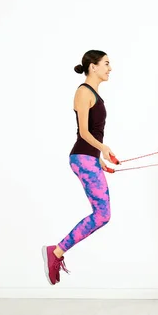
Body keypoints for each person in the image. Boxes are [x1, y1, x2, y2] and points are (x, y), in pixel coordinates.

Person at [41, 50, 118, 285]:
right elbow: (84, 132)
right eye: (106, 63)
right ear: (92, 67)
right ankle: (56, 251)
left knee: (102, 214)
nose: (110, 68)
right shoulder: (83, 92)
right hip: (82, 157)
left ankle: (57, 251)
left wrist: (100, 160)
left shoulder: (93, 93)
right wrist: (102, 148)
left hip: (88, 158)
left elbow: (91, 134)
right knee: (103, 214)